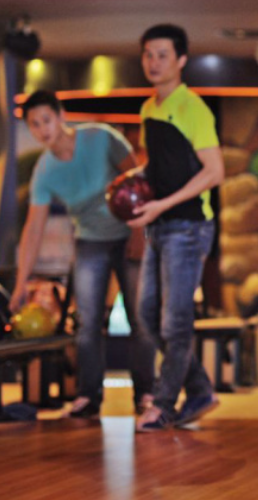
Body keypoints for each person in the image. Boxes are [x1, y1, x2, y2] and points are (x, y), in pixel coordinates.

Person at [14, 90, 156, 418]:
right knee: (88, 322)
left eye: (46, 120)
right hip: (90, 241)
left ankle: (147, 392)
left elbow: (137, 182)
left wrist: (139, 233)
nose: (42, 129)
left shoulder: (101, 139)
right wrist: (22, 283)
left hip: (128, 233)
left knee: (140, 318)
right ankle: (88, 397)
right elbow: (33, 229)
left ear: (61, 116)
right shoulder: (45, 171)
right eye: (34, 125)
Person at [130, 24, 224, 432]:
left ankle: (164, 403)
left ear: (181, 60)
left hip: (188, 226)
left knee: (175, 321)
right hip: (161, 225)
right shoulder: (148, 108)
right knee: (148, 315)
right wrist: (133, 183)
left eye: (162, 54)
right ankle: (200, 389)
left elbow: (215, 171)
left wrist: (161, 205)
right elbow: (159, 166)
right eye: (148, 54)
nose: (154, 62)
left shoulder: (193, 108)